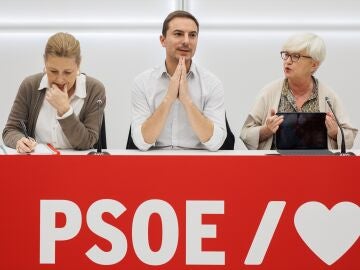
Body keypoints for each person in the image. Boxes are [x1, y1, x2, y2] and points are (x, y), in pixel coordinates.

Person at [240, 32, 357, 150]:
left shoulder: (328, 97)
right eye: (286, 55)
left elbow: (350, 137)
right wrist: (267, 129)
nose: (288, 61)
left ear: (314, 65)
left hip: (318, 166)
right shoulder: (269, 92)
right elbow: (245, 133)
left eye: (295, 56)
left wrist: (335, 132)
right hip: (276, 166)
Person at [130, 10, 226, 151]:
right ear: (163, 40)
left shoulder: (212, 83)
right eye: (178, 34)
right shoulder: (142, 82)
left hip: (199, 164)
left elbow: (216, 143)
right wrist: (169, 98)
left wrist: (187, 100)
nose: (186, 41)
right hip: (155, 163)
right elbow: (141, 142)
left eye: (192, 35)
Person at [2, 32, 106, 153]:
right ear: (44, 62)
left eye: (67, 72)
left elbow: (87, 142)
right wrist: (19, 141)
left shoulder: (94, 90)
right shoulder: (30, 85)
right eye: (53, 71)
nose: (60, 79)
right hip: (38, 165)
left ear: (78, 64)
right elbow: (10, 130)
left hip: (79, 166)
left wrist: (65, 111)